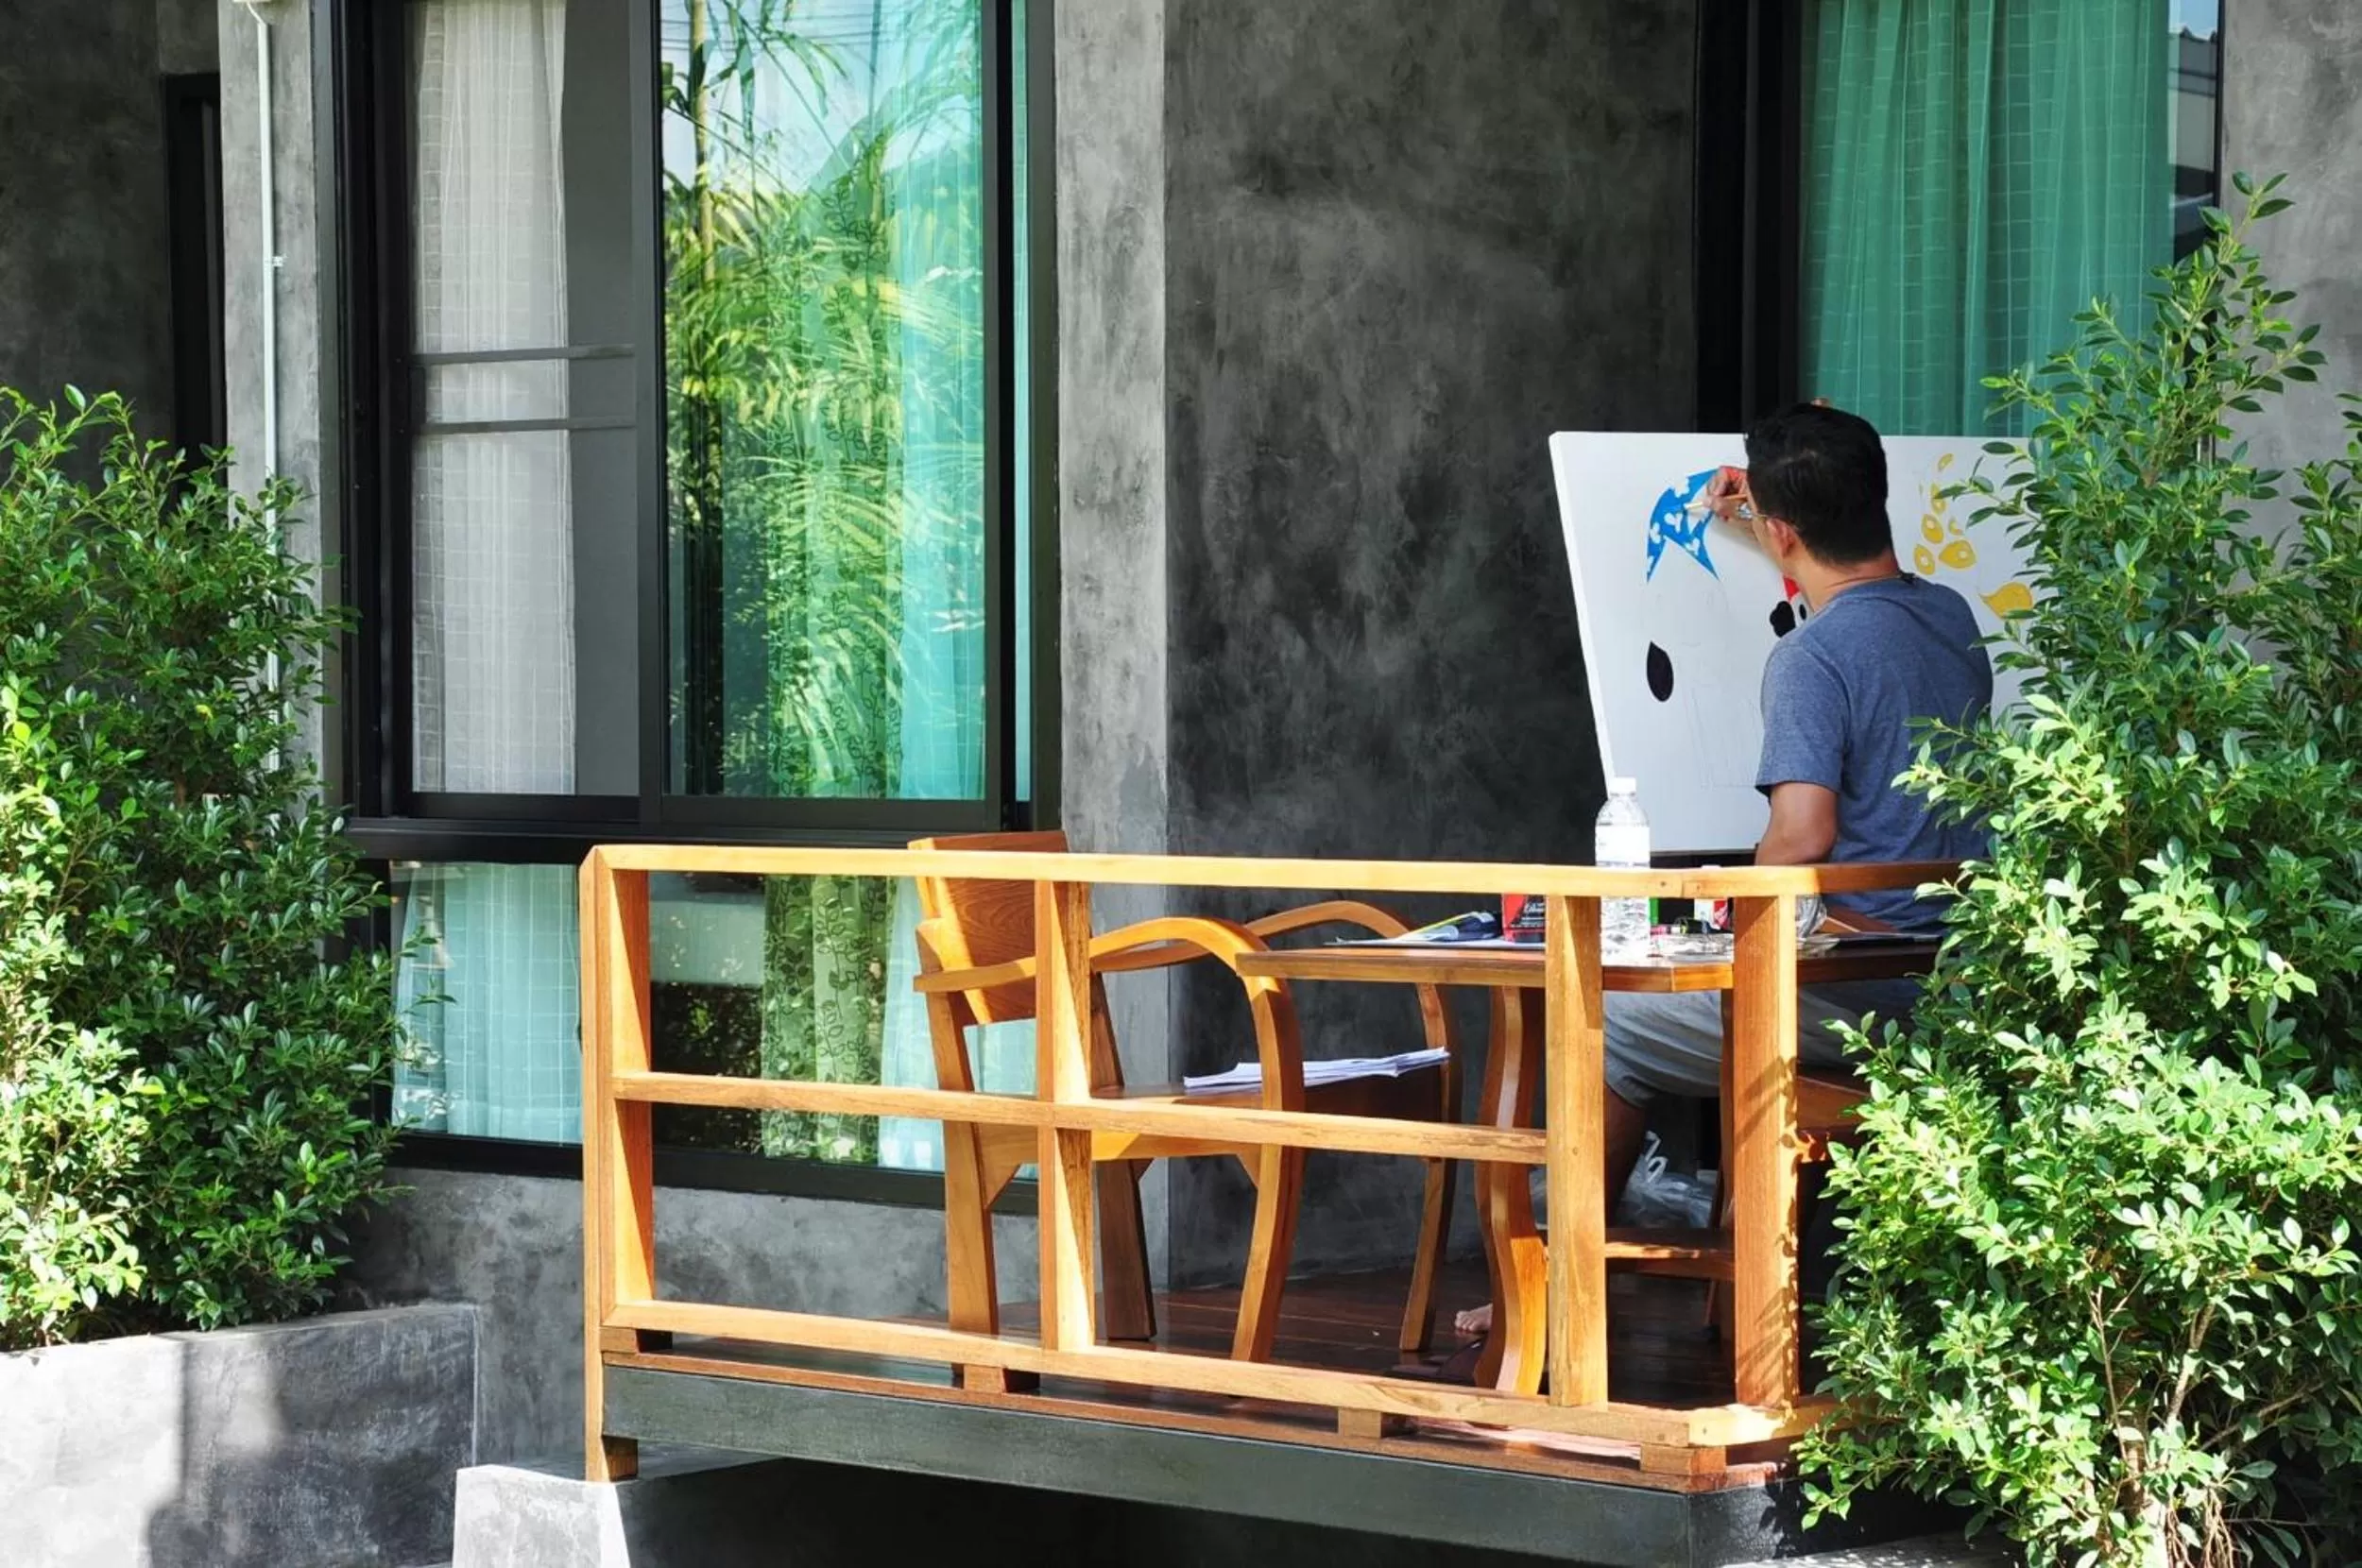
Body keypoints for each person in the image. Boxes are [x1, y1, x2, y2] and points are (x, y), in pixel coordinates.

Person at [1454, 401, 1993, 1342]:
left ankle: (1542, 1305)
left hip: (1861, 991)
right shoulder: (1951, 617)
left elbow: (1802, 835)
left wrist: (1714, 899)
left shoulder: (1811, 656)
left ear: (1781, 533)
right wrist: (1767, 518)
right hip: (1954, 976)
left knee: (1609, 1026)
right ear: (1879, 496)